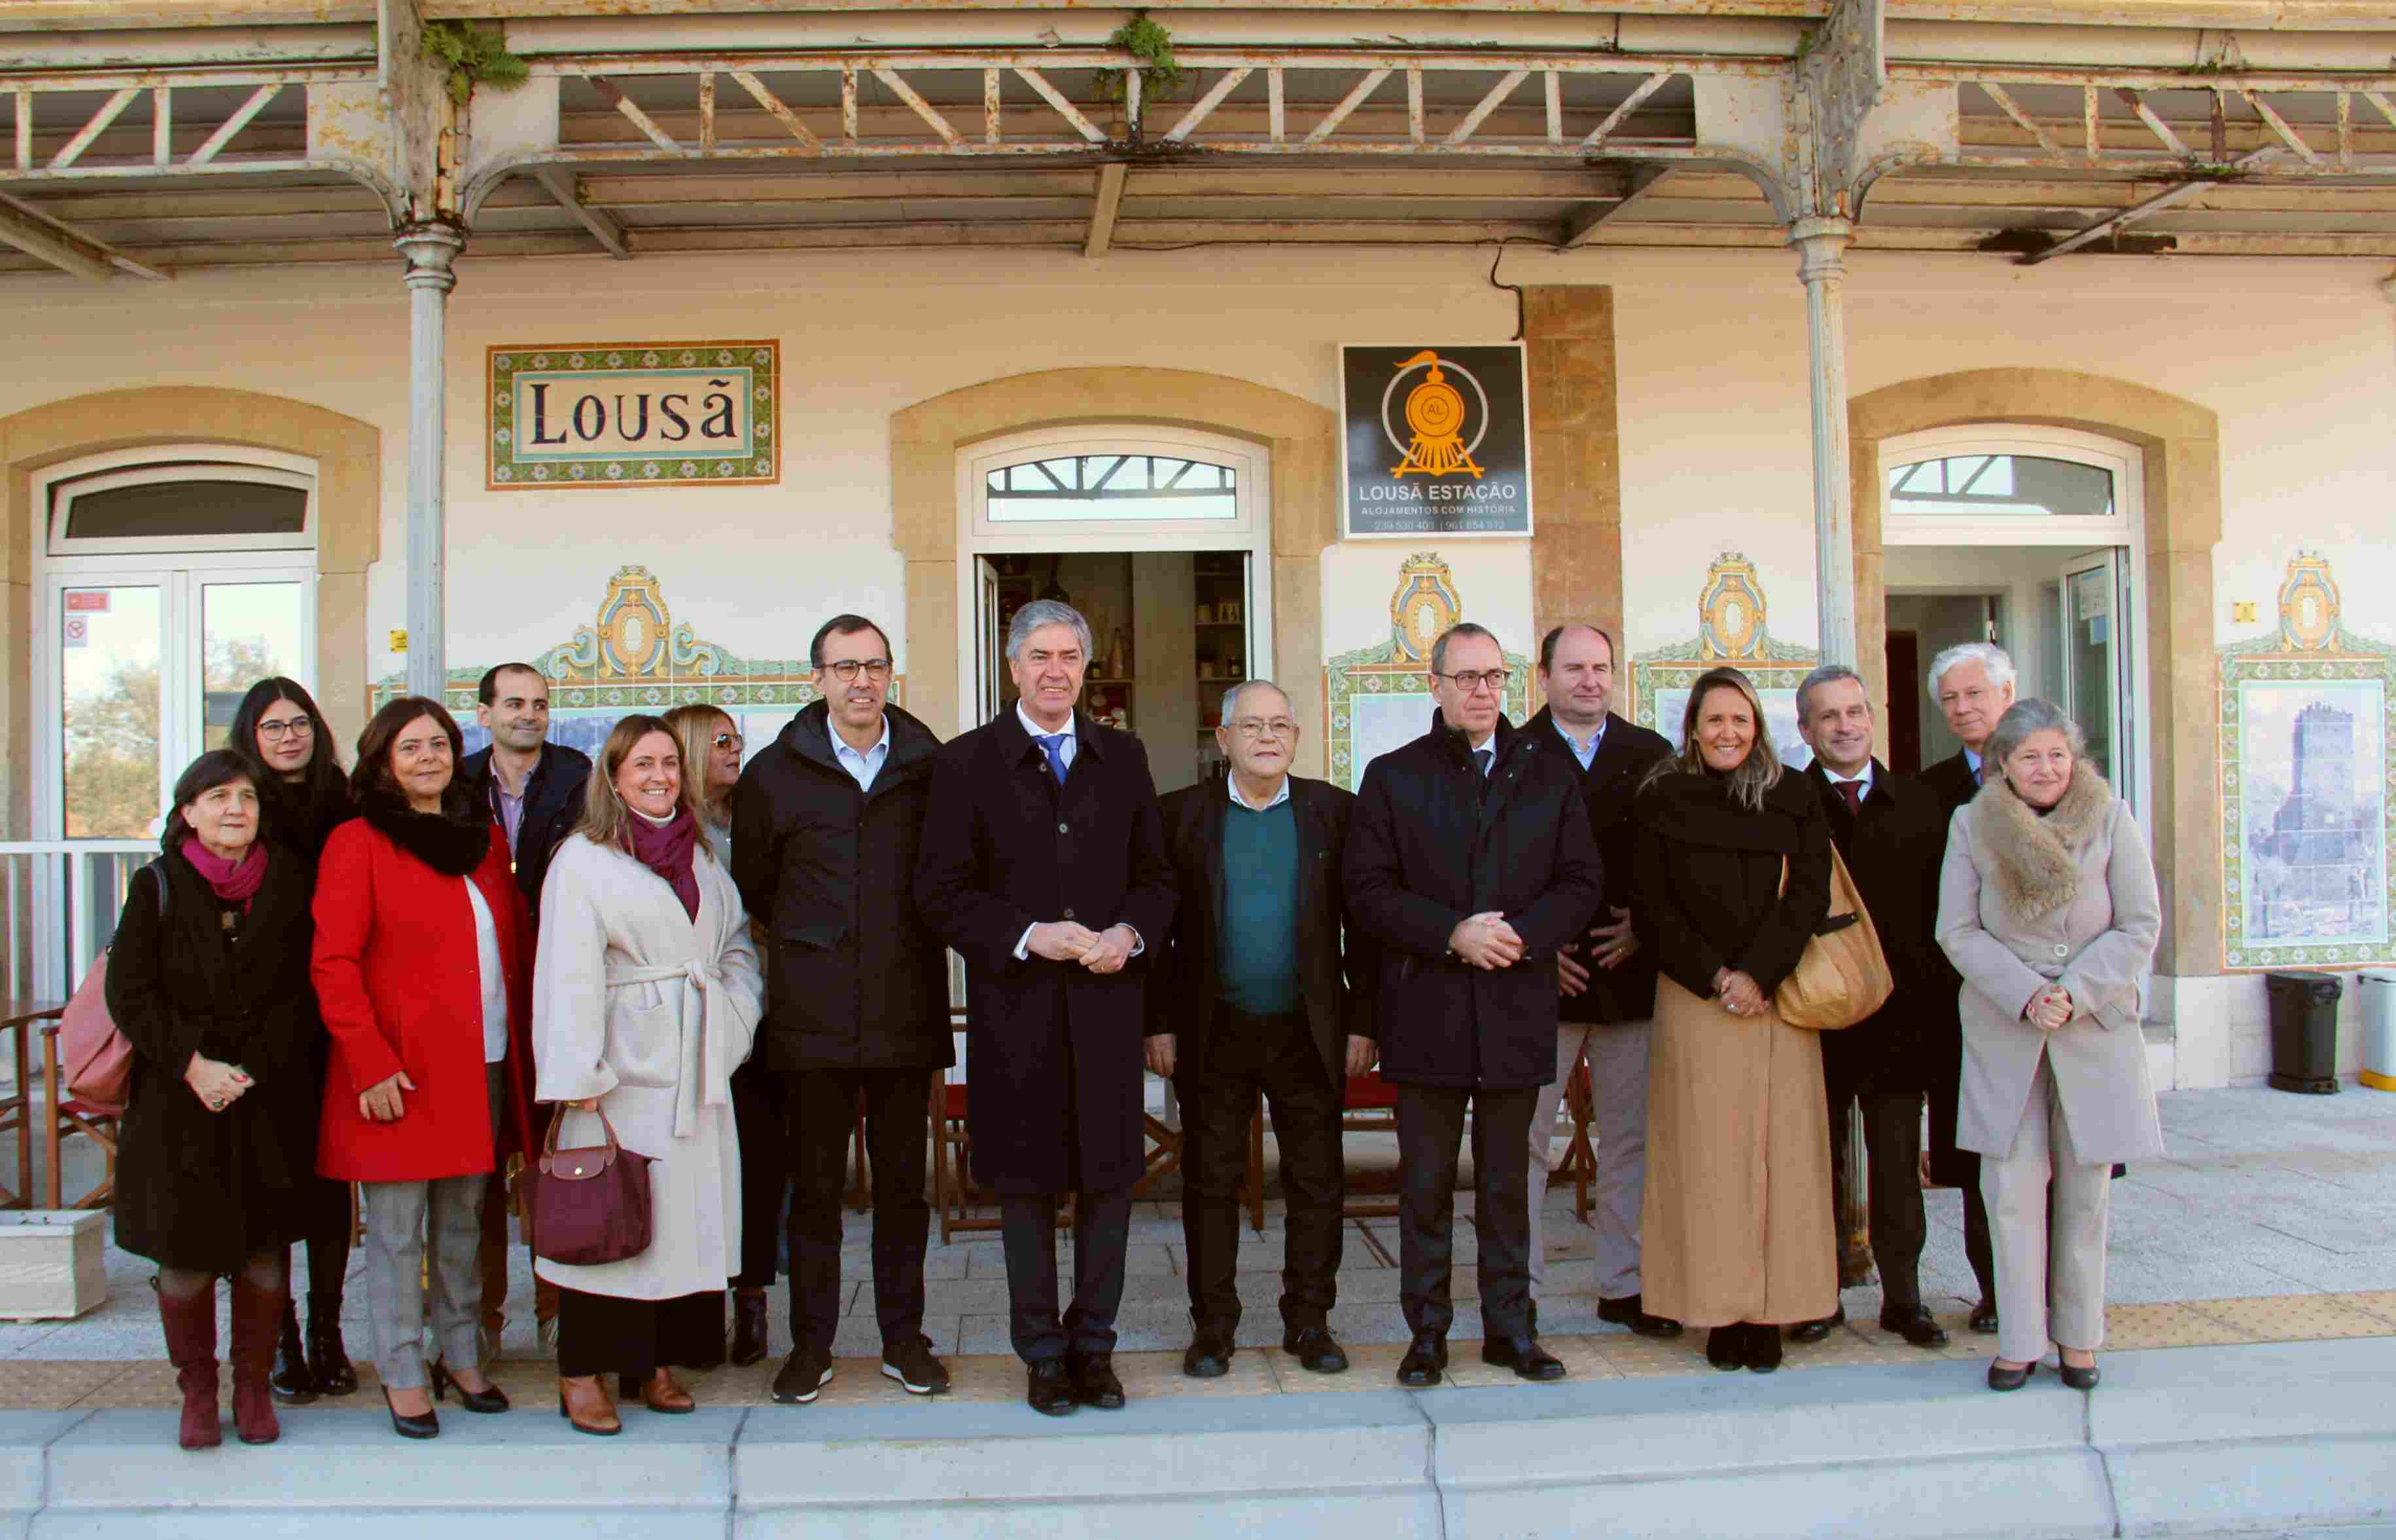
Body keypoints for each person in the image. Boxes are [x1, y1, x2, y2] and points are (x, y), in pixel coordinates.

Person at [914, 599, 1176, 1417]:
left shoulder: (1123, 756)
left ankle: (1094, 1347)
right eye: (1040, 656)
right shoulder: (964, 764)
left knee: (1108, 1184)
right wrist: (1030, 933)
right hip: (1014, 1016)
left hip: (1105, 1013)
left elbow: (1157, 877)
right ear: (1011, 666)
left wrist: (1129, 933)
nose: (1055, 670)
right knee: (1024, 1188)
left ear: (1085, 667)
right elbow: (940, 893)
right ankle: (1040, 1352)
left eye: (1069, 656)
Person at [1345, 621, 1602, 1388]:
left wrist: (1520, 936)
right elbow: (1365, 891)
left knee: (1506, 1186)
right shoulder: (1392, 776)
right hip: (1426, 1010)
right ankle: (1425, 1332)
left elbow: (1581, 880)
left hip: (1516, 1008)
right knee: (1423, 1184)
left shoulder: (1547, 773)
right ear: (1434, 686)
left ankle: (1510, 1330)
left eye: (1491, 676)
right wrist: (1450, 933)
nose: (1481, 690)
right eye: (1464, 677)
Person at [730, 616, 953, 1405]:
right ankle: (810, 1344)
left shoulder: (933, 766)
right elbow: (754, 885)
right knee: (814, 1192)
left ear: (892, 674)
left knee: (903, 1191)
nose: (860, 680)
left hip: (904, 1007)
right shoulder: (773, 775)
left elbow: (952, 873)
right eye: (843, 666)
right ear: (817, 677)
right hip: (810, 1017)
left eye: (874, 665)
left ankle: (904, 1338)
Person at [534, 715, 764, 1434]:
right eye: (643, 763)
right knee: (610, 1214)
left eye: (669, 762)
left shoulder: (699, 855)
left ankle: (649, 1361)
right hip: (619, 1066)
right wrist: (576, 1067)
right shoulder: (583, 858)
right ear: (613, 774)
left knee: (669, 1222)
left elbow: (734, 947)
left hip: (696, 1058)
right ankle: (581, 1371)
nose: (660, 774)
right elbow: (565, 969)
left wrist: (731, 1017)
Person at [313, 696, 534, 1439]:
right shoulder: (358, 841)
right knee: (397, 1230)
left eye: (439, 743)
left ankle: (463, 1354)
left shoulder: (479, 837)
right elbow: (333, 964)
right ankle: (404, 1369)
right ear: (382, 762)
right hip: (398, 1073)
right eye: (410, 747)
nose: (429, 757)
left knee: (464, 1223)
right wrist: (369, 1062)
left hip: (482, 1061)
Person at [1145, 680, 1375, 1379]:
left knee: (1316, 1180)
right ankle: (1213, 1327)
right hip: (1212, 1029)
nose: (1267, 736)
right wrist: (1156, 1022)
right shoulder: (1179, 816)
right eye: (1251, 726)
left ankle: (1308, 1320)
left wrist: (1362, 1020)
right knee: (1209, 1183)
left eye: (1280, 724)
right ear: (1222, 740)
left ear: (1296, 737)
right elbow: (1157, 932)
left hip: (1306, 1030)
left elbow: (1363, 926)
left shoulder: (1333, 813)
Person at [1936, 699, 2162, 1393]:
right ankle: (2018, 1338)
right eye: (2028, 755)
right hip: (2009, 1025)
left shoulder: (2111, 816)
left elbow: (2138, 923)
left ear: (2076, 757)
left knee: (2084, 1191)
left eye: (2056, 754)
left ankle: (2078, 1337)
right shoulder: (1972, 823)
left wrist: (2074, 988)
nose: (2045, 768)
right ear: (2001, 761)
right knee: (2008, 1188)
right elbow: (1958, 929)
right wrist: (2026, 992)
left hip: (2089, 1024)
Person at [107, 752, 322, 1450]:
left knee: (264, 1248)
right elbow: (131, 992)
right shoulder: (158, 885)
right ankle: (198, 1389)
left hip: (265, 1094)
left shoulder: (288, 882)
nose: (236, 807)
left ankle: (253, 1385)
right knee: (185, 1251)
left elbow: (302, 986)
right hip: (178, 1099)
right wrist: (195, 1065)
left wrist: (252, 1069)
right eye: (218, 795)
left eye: (248, 796)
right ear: (188, 811)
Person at [1632, 665, 1836, 1374]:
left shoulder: (1792, 793)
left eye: (1739, 720)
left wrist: (1759, 973)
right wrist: (1717, 975)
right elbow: (1652, 906)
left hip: (1777, 997)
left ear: (1757, 728)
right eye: (1713, 720)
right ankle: (1718, 1309)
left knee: (1784, 1159)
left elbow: (1809, 891)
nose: (1726, 732)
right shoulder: (1662, 797)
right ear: (1691, 726)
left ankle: (1775, 1309)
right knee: (1707, 1159)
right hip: (1696, 998)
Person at [1523, 624, 1679, 1340]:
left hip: (1628, 976)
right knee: (1520, 1140)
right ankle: (1514, 1284)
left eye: (1600, 667)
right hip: (1536, 981)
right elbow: (1489, 861)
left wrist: (1646, 928)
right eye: (1573, 667)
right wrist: (1532, 943)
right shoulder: (1513, 752)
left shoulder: (1651, 755)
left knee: (1630, 1140)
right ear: (1543, 674)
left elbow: (1679, 864)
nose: (1589, 679)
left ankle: (1627, 1282)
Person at [1790, 664, 1950, 1350]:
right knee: (1814, 1161)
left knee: (1893, 1165)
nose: (1845, 725)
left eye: (1854, 711)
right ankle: (1816, 1294)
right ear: (1804, 729)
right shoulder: (1784, 802)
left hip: (1900, 1017)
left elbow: (1943, 915)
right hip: (1813, 1014)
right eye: (1828, 715)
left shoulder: (1916, 803)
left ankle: (1903, 1296)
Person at [227, 676, 360, 1403]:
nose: (288, 736)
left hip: (331, 1015)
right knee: (271, 1185)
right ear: (251, 734)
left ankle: (329, 1332)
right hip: (261, 1019)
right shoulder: (233, 799)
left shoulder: (342, 797)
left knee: (330, 1185)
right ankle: (279, 1342)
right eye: (273, 725)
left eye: (299, 722)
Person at [461, 662, 593, 1359]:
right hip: (479, 997)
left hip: (558, 985)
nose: (528, 714)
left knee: (554, 1159)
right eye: (513, 703)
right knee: (479, 1166)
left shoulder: (577, 776)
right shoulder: (457, 785)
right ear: (483, 713)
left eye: (540, 703)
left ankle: (557, 1308)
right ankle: (480, 1319)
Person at [667, 701, 783, 1367]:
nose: (734, 751)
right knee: (694, 1167)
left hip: (759, 1017)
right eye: (719, 742)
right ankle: (697, 1302)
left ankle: (754, 1296)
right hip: (687, 1026)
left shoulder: (755, 819)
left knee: (760, 1165)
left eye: (737, 740)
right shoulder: (669, 831)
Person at [1921, 642, 2017, 1335]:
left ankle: (2058, 1290)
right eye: (1949, 698)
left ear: (2006, 695)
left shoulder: (2058, 774)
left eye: (1973, 693)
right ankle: (1994, 1289)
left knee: (2055, 1159)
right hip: (1966, 1007)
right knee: (1983, 1157)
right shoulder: (1928, 792)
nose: (1961, 707)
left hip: (2054, 1005)